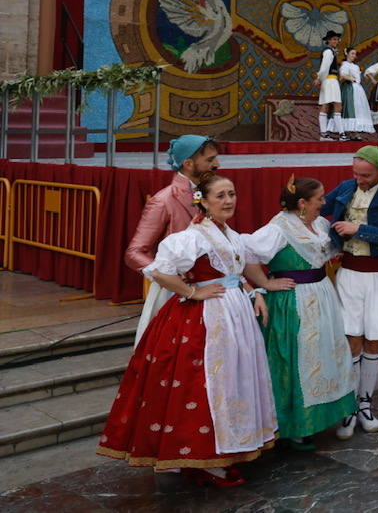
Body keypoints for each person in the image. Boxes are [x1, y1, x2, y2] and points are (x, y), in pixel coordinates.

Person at [98, 175, 275, 488]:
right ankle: (202, 457)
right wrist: (192, 292)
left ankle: (226, 450)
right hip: (206, 319)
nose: (228, 201)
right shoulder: (192, 237)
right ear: (202, 201)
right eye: (220, 196)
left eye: (231, 194)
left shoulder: (229, 233)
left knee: (231, 381)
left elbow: (234, 273)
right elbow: (159, 270)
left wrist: (253, 292)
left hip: (234, 315)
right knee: (205, 384)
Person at [244, 178, 355, 449]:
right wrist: (266, 283)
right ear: (303, 203)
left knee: (325, 353)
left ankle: (325, 415)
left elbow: (327, 249)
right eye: (319, 198)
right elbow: (245, 255)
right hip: (293, 301)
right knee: (297, 358)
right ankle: (296, 424)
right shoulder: (278, 228)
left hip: (322, 294)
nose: (324, 202)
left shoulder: (319, 224)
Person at [321, 146, 378, 437]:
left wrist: (359, 229)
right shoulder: (347, 187)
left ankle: (366, 404)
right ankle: (349, 407)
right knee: (352, 340)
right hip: (350, 274)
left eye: (366, 175)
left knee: (374, 341)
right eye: (356, 174)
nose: (360, 180)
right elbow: (318, 208)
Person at [126, 135, 220, 345]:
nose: (217, 164)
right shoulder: (164, 200)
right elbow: (134, 253)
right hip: (178, 294)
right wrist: (171, 279)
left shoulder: (214, 195)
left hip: (214, 290)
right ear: (188, 163)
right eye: (210, 160)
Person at [337, 48, 375, 141]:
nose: (354, 55)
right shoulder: (345, 64)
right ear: (347, 54)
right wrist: (351, 79)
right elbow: (342, 74)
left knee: (358, 109)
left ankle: (355, 132)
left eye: (355, 54)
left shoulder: (355, 66)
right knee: (350, 109)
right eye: (352, 53)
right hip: (349, 89)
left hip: (357, 89)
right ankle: (349, 132)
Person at [315, 29, 343, 140]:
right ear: (329, 41)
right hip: (329, 80)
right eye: (334, 39)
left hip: (331, 80)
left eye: (337, 39)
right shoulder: (328, 52)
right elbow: (324, 67)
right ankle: (339, 133)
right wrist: (320, 78)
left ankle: (325, 133)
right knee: (334, 105)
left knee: (328, 105)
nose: (336, 41)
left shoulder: (331, 51)